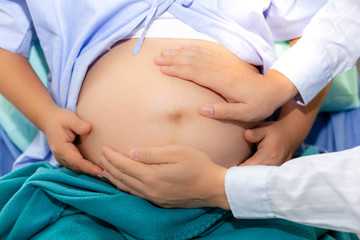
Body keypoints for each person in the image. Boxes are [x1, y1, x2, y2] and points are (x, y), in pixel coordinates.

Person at [98, 0, 360, 234]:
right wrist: (53, 118)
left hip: (245, 192)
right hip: (103, 196)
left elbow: (311, 28)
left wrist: (291, 133)